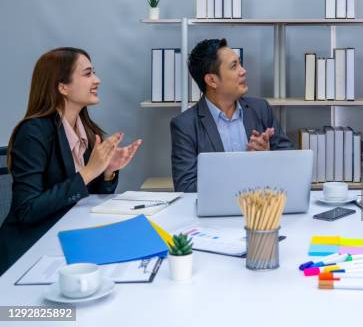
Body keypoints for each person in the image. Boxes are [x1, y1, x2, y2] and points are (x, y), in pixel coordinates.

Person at [0, 47, 142, 276]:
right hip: (30, 251)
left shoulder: (85, 129)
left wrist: (106, 173)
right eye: (87, 74)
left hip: (71, 236)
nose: (97, 80)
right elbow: (27, 210)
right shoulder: (33, 133)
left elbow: (89, 197)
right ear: (62, 86)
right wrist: (88, 172)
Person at [170, 39, 293, 194]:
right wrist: (243, 171)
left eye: (240, 63)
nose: (243, 71)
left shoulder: (261, 109)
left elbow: (290, 164)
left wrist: (267, 156)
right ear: (212, 80)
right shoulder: (185, 125)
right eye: (234, 66)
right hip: (213, 215)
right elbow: (186, 188)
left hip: (261, 210)